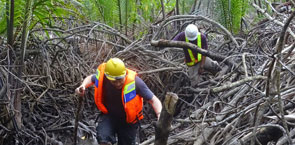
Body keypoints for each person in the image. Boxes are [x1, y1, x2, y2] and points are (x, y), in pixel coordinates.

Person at [75, 58, 162, 145]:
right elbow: (91, 78)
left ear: (124, 74)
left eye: (120, 80)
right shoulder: (103, 77)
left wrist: (160, 115)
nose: (117, 84)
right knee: (104, 140)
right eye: (114, 81)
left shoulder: (136, 82)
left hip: (128, 122)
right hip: (109, 115)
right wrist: (83, 86)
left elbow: (154, 100)